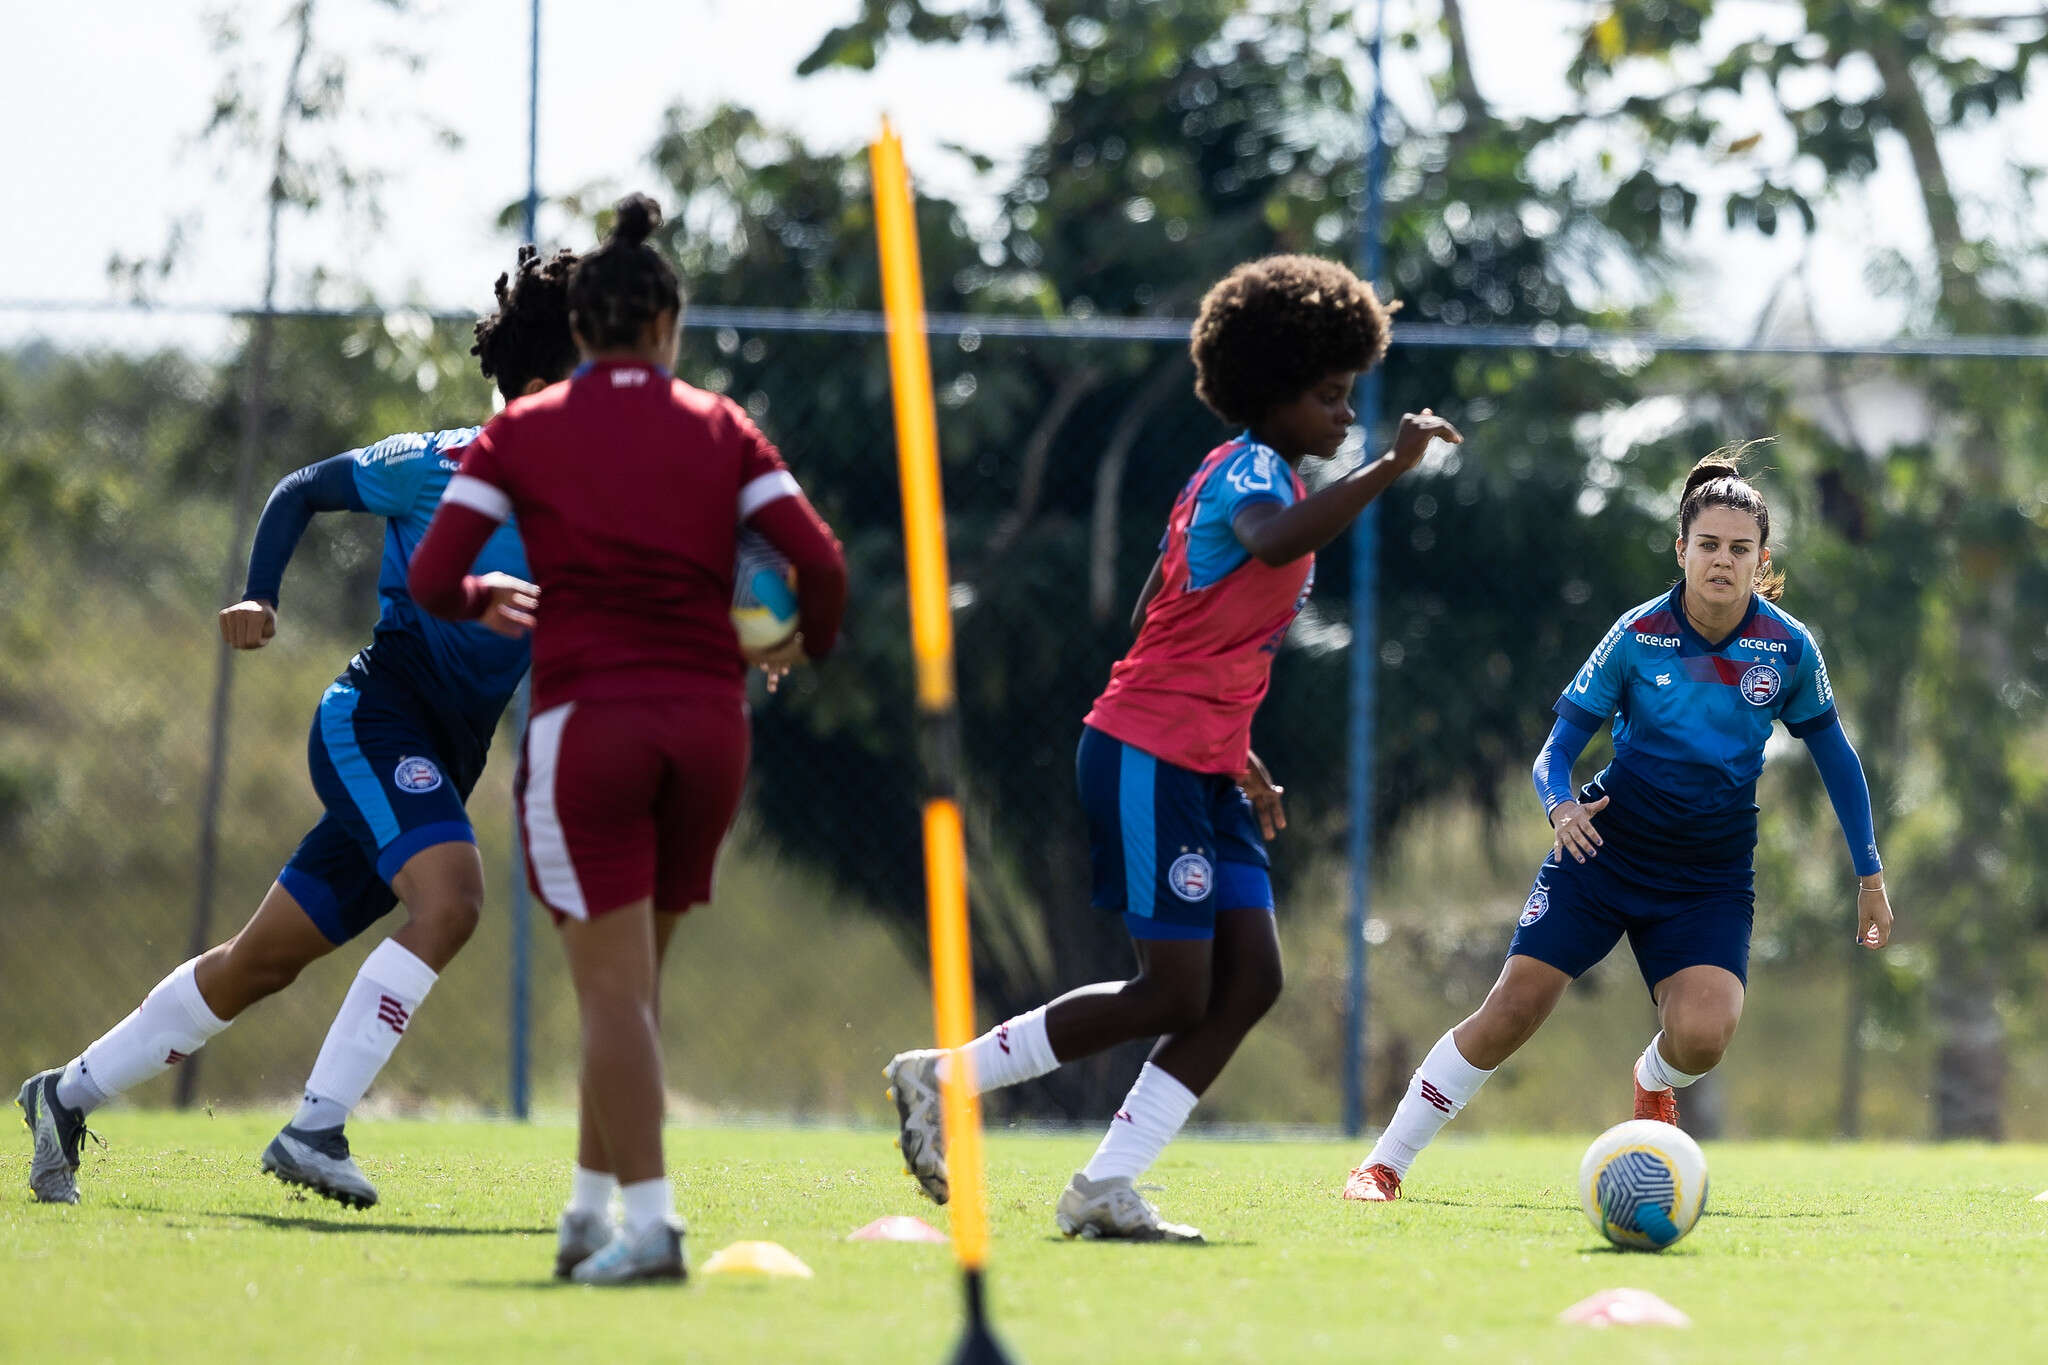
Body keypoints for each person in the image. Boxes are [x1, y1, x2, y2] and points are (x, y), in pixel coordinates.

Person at [884, 254, 1460, 1242]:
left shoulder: (1241, 474)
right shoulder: (1248, 476)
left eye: (1350, 398)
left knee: (1250, 981)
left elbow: (1169, 601)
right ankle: (945, 1077)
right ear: (1268, 389)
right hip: (1145, 754)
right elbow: (1271, 545)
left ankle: (1106, 1185)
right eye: (1328, 396)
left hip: (1196, 759)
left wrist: (1235, 750)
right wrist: (1387, 470)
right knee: (1173, 989)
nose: (1345, 417)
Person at [17, 246, 581, 1209]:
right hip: (374, 721)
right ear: (536, 390)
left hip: (437, 753)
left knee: (258, 963)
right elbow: (300, 490)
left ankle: (62, 1095)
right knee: (452, 900)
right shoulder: (434, 465)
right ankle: (316, 1127)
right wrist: (258, 596)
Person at [407, 193, 847, 1285]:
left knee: (608, 995)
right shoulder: (721, 424)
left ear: (583, 332)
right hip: (708, 731)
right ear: (665, 327)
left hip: (588, 731)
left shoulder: (522, 430)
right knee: (634, 993)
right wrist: (794, 644)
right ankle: (586, 1214)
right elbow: (820, 564)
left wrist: (479, 597)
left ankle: (651, 1230)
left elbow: (430, 576)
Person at [1343, 449, 1894, 1202]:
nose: (1722, 561)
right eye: (1708, 545)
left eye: (1740, 549)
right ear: (1682, 550)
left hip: (1709, 873)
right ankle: (1383, 1164)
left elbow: (1838, 758)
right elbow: (1557, 748)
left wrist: (1869, 873)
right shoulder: (1637, 634)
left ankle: (1651, 1077)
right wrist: (1560, 804)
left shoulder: (1788, 647)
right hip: (1605, 848)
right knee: (1513, 1007)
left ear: (1761, 559)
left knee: (1704, 1034)